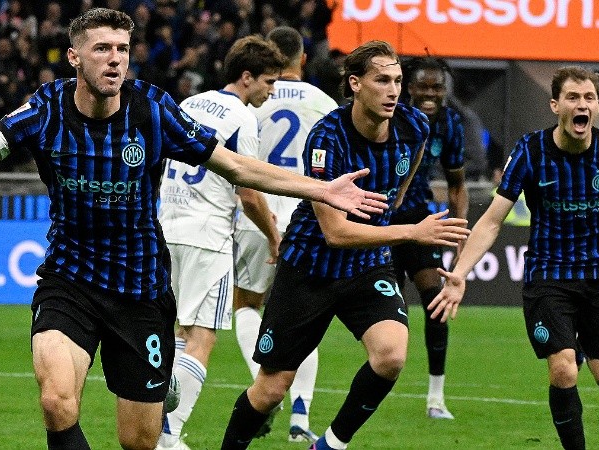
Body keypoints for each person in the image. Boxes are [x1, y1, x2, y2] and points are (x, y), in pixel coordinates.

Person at [0, 8, 386, 450]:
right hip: (69, 280)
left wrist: (320, 189)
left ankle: (162, 385)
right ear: (75, 57)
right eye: (102, 49)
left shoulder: (152, 110)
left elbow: (238, 167)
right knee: (56, 401)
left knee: (139, 441)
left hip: (140, 290)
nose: (115, 59)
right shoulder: (45, 109)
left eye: (123, 50)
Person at [219, 40, 470, 450]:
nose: (393, 90)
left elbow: (398, 192)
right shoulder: (327, 137)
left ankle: (330, 445)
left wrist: (394, 217)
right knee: (270, 390)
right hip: (310, 268)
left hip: (366, 266)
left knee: (390, 356)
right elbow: (336, 232)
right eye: (382, 80)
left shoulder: (413, 126)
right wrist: (410, 231)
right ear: (355, 84)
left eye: (397, 81)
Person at [430, 66, 599, 450]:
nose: (582, 104)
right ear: (555, 105)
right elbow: (492, 221)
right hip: (548, 276)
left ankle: (580, 348)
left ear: (597, 106)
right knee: (562, 370)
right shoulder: (530, 151)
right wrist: (460, 272)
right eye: (573, 97)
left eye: (589, 98)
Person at [155, 35, 285, 450]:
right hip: (207, 236)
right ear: (246, 77)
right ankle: (167, 435)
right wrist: (273, 236)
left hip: (166, 227)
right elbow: (248, 193)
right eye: (268, 81)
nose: (271, 91)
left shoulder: (189, 103)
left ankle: (161, 429)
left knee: (180, 330)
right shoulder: (242, 118)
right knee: (203, 337)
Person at [231, 25, 338, 443]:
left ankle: (263, 392)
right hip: (308, 216)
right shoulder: (325, 103)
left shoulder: (253, 99)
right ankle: (300, 412)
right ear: (303, 59)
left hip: (257, 213)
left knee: (245, 305)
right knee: (305, 314)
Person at [390, 57, 468, 419]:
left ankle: (436, 399)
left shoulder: (450, 123)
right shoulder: (393, 117)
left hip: (420, 222)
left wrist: (460, 231)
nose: (430, 94)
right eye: (423, 86)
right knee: (387, 309)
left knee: (436, 303)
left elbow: (457, 185)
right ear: (409, 88)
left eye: (437, 87)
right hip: (383, 223)